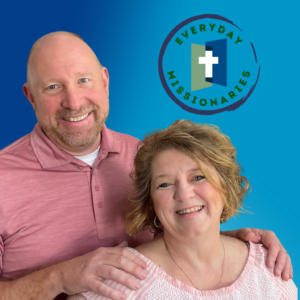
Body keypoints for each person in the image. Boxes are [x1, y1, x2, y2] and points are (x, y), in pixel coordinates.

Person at [0, 32, 293, 300]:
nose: (74, 101)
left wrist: (235, 243)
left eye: (83, 80)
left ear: (104, 81)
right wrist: (59, 277)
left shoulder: (145, 157)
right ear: (30, 96)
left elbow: (175, 228)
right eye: (53, 87)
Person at [69, 120, 297, 300]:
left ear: (225, 186)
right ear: (150, 202)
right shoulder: (118, 280)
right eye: (165, 184)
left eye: (198, 177)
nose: (184, 195)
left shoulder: (270, 267)